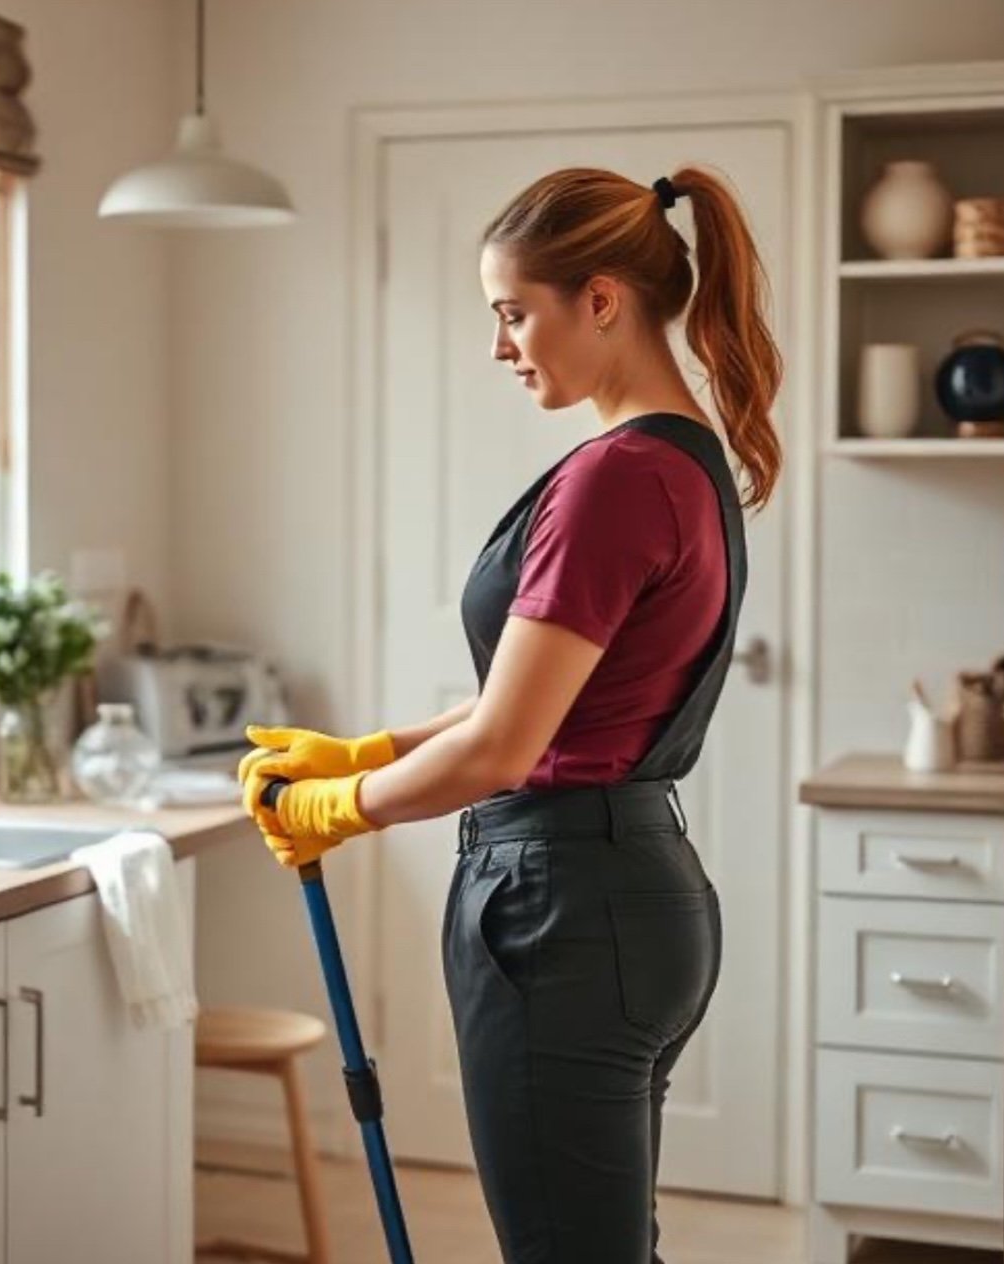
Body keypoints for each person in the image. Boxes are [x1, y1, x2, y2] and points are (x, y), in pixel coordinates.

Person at [238, 164, 784, 1264]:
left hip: (559, 913)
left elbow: (502, 746)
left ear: (600, 299)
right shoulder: (685, 462)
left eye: (513, 312)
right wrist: (367, 752)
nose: (500, 346)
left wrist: (340, 807)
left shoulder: (615, 478)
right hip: (636, 894)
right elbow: (525, 708)